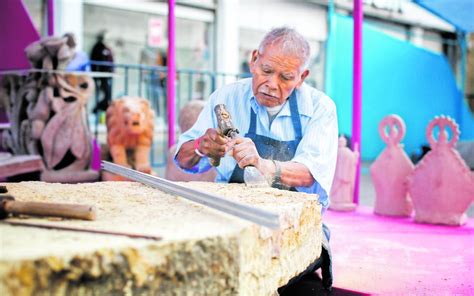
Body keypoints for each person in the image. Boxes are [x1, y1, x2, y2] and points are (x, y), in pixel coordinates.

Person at [174, 27, 338, 291]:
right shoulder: (226, 97)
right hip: (234, 221)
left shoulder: (320, 108)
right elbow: (181, 159)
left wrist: (263, 165)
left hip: (295, 228)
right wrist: (200, 146)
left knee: (305, 289)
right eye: (266, 70)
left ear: (302, 77)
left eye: (286, 77)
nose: (272, 84)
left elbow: (310, 173)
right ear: (254, 60)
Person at [90, 31, 114, 113]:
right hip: (100, 75)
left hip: (107, 75)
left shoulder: (108, 48)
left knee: (108, 96)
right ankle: (96, 110)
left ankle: (99, 110)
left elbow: (111, 61)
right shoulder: (97, 47)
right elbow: (94, 60)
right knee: (105, 95)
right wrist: (94, 75)